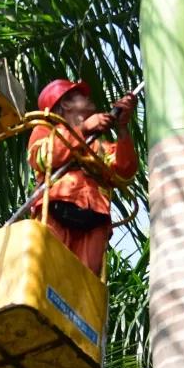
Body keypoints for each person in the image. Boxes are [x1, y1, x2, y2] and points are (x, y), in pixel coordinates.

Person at [27, 78, 139, 273]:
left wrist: (122, 129)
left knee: (84, 280)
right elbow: (43, 157)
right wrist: (84, 129)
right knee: (49, 269)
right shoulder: (45, 130)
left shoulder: (99, 147)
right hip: (55, 208)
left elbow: (124, 171)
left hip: (94, 217)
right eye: (81, 95)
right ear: (65, 103)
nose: (88, 97)